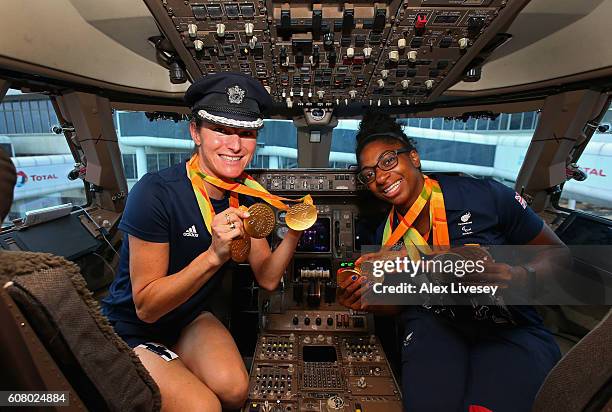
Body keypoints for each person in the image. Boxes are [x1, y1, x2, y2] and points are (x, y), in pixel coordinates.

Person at [102, 72, 302, 411]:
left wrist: (295, 229)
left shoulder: (249, 197)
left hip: (190, 316)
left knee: (236, 390)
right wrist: (213, 255)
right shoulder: (156, 192)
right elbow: (147, 307)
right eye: (221, 130)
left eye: (246, 133)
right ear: (195, 132)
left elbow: (267, 277)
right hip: (134, 329)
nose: (235, 145)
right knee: (203, 407)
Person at [338, 112, 564, 412]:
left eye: (388, 161)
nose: (380, 177)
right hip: (434, 324)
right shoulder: (385, 235)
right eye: (368, 174)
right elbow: (399, 303)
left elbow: (560, 256)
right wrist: (368, 299)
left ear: (414, 157)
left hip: (506, 324)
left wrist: (521, 276)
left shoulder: (484, 195)